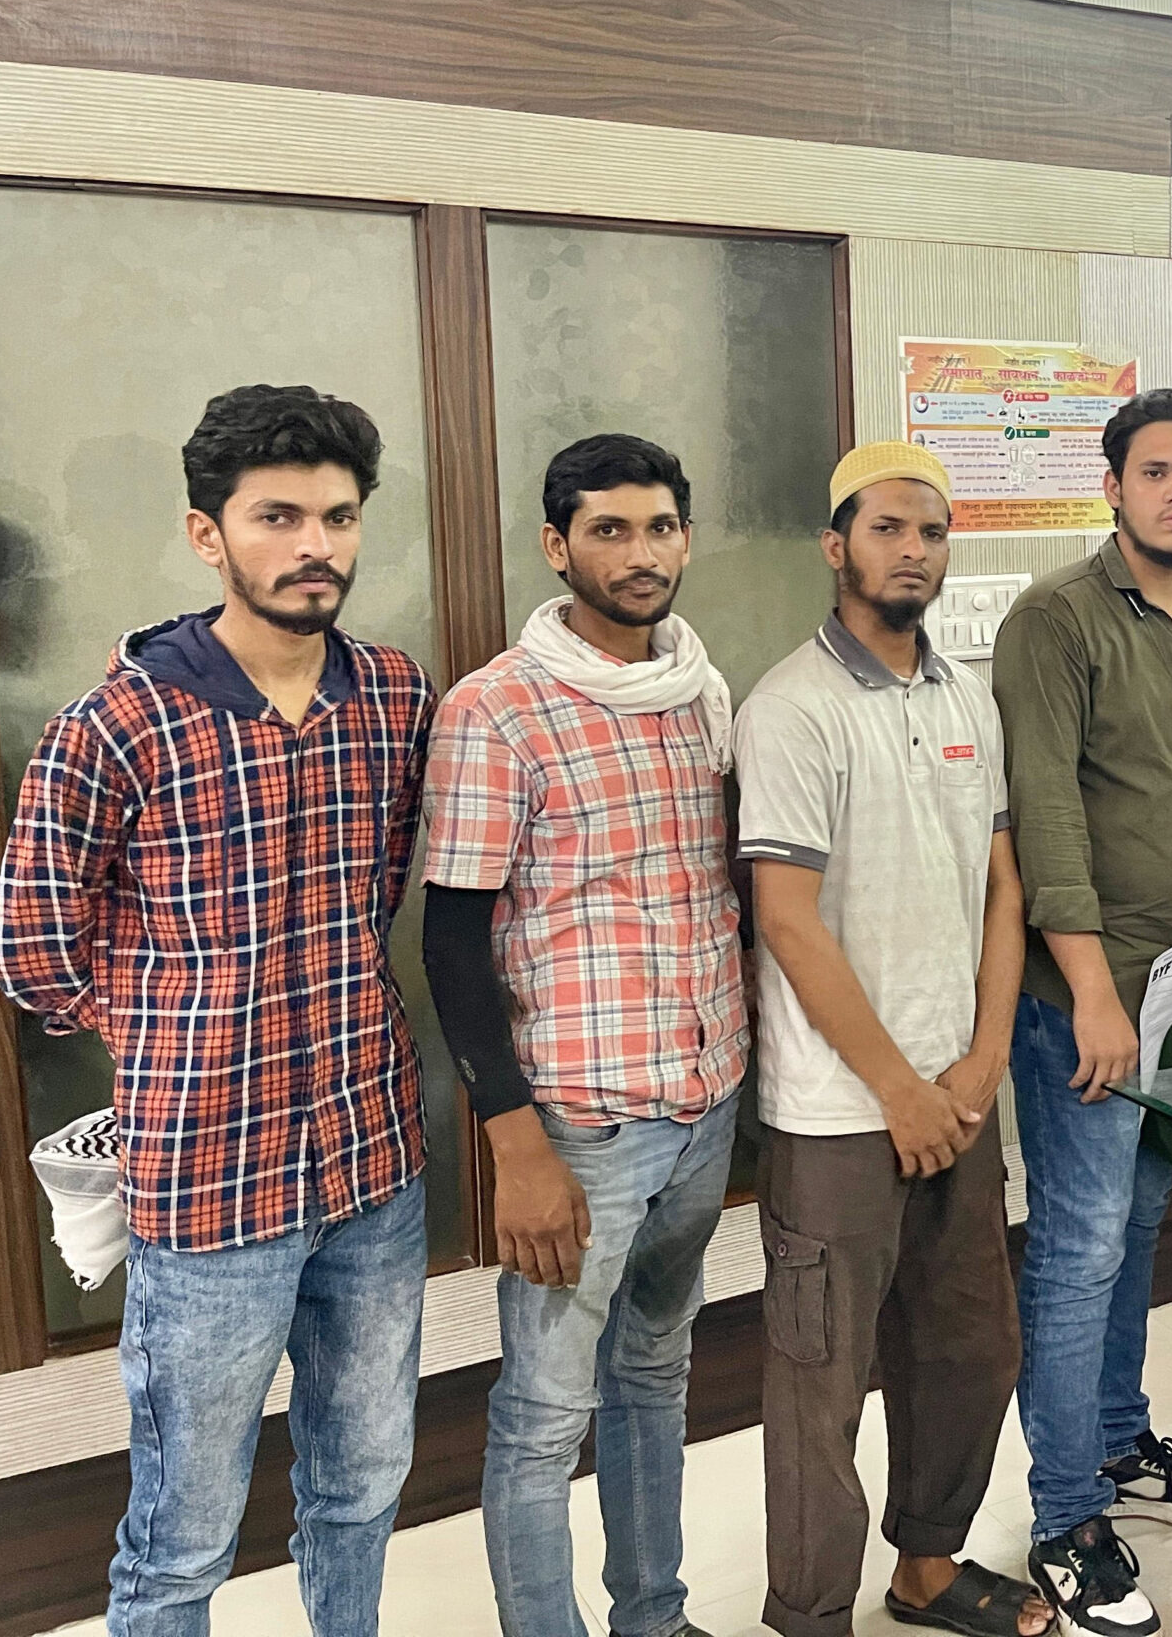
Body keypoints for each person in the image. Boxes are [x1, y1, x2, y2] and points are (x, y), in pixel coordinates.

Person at [0, 385, 435, 1637]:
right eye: (277, 516)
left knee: (362, 1485)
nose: (315, 545)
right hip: (207, 1188)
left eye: (338, 517)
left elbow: (382, 890)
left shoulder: (394, 698)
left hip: (373, 1164)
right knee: (183, 1532)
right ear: (208, 534)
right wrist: (169, 1027)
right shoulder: (116, 723)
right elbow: (28, 948)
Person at [421, 433, 747, 1637]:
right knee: (544, 1415)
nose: (640, 552)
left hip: (704, 1100)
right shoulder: (496, 710)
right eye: (609, 530)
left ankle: (652, 1618)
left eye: (659, 527)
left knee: (655, 1373)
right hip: (580, 1124)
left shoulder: (699, 687)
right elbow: (451, 942)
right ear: (558, 548)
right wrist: (515, 1144)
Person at [734, 444, 1051, 1637]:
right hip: (838, 1111)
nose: (912, 550)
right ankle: (809, 1614)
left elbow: (1003, 888)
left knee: (970, 1346)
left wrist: (978, 1061)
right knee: (820, 1384)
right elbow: (786, 919)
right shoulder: (791, 709)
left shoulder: (967, 696)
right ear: (837, 547)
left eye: (930, 531)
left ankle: (926, 1568)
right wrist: (895, 1089)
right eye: (886, 529)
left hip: (957, 1093)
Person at [992, 388, 1172, 1637]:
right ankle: (1064, 1517)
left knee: (1144, 1221)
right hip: (1084, 999)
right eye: (1154, 472)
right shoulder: (1053, 619)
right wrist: (1093, 991)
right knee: (1078, 1245)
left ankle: (1114, 1442)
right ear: (1111, 487)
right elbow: (1045, 812)